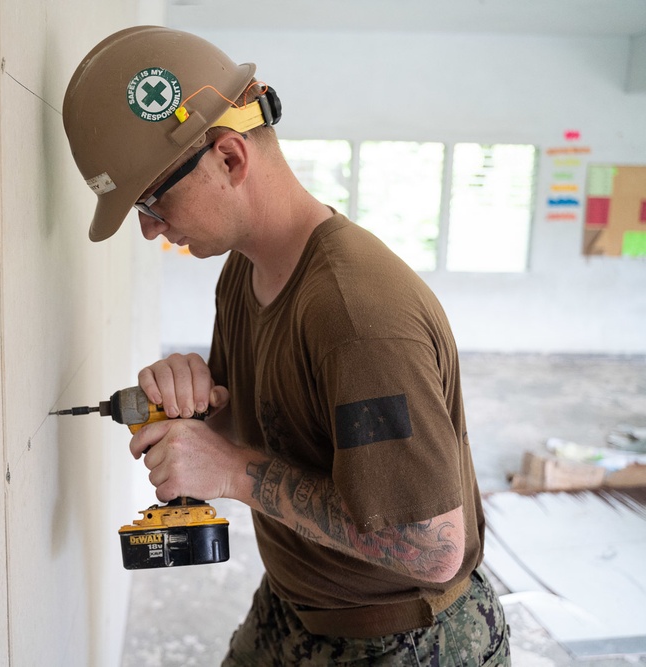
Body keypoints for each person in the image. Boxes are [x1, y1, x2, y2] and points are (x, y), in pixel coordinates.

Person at [63, 26, 510, 666]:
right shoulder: (243, 270)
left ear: (229, 157)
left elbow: (433, 548)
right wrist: (201, 399)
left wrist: (231, 471)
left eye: (153, 200)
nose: (149, 229)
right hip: (297, 600)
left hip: (401, 640)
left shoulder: (356, 317)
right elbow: (266, 428)